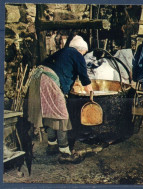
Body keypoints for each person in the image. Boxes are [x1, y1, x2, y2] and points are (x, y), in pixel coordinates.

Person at [27, 35, 93, 164]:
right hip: (49, 81)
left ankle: (52, 145)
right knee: (62, 115)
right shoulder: (77, 54)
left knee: (49, 112)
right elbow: (85, 79)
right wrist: (91, 95)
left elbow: (63, 71)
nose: (83, 55)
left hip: (37, 78)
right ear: (81, 50)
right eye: (84, 53)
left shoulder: (63, 52)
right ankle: (65, 152)